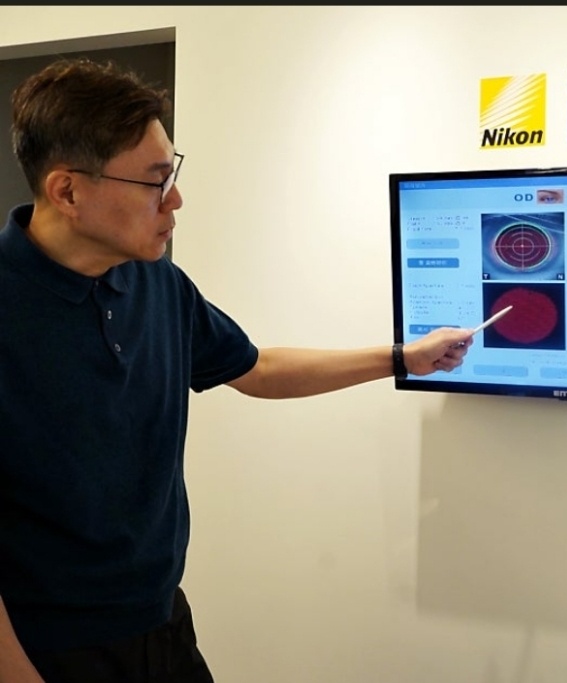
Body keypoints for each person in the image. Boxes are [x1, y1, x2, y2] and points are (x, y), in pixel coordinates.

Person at [0, 57, 474, 683]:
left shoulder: (158, 284)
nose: (175, 199)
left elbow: (257, 368)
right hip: (46, 649)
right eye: (154, 182)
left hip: (163, 623)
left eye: (172, 173)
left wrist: (399, 358)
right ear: (67, 192)